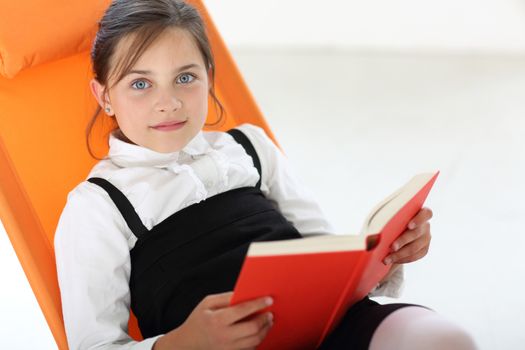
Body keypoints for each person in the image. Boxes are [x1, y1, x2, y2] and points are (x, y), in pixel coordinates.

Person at [53, 0, 478, 349]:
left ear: (209, 79)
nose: (168, 103)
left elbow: (321, 251)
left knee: (446, 341)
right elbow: (95, 345)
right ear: (104, 95)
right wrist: (182, 342)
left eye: (185, 78)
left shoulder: (249, 147)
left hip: (325, 327)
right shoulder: (97, 207)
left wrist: (384, 258)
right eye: (140, 84)